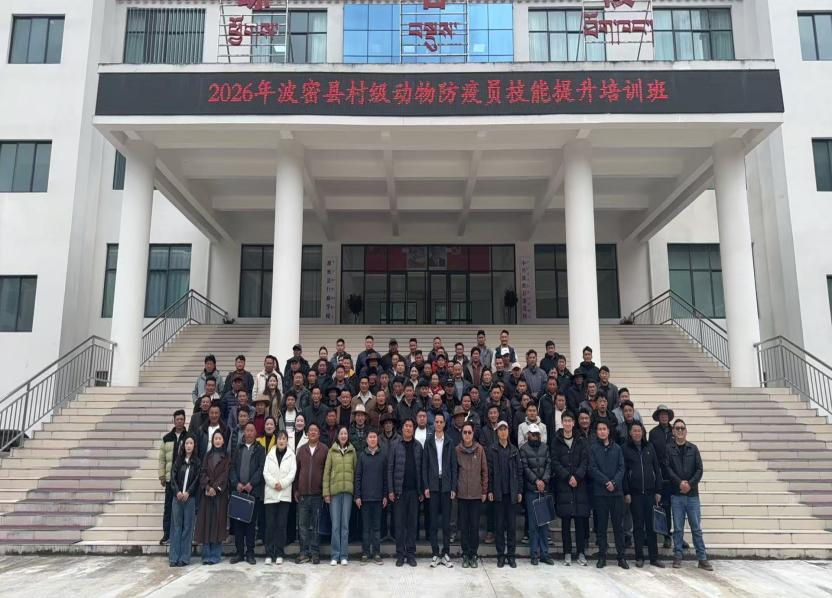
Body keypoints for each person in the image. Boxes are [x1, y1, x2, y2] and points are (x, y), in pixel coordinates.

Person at [666, 419, 712, 571]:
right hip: (676, 494)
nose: (680, 431)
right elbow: (667, 469)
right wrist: (680, 483)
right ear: (673, 431)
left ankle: (702, 558)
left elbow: (699, 469)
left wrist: (689, 484)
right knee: (678, 528)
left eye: (682, 428)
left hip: (692, 495)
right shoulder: (669, 449)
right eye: (677, 428)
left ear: (686, 431)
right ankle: (677, 556)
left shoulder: (693, 448)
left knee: (696, 528)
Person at [623, 421, 664, 568]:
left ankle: (654, 557)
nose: (637, 433)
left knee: (651, 527)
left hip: (650, 493)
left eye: (639, 431)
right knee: (638, 526)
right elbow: (624, 473)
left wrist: (658, 490)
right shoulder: (625, 449)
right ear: (630, 433)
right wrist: (626, 492)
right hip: (635, 495)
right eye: (634, 431)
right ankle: (639, 557)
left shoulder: (649, 447)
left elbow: (657, 469)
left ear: (642, 432)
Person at [551, 411, 590, 567]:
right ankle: (567, 552)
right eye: (565, 420)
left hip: (579, 486)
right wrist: (568, 477)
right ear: (562, 423)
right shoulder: (556, 441)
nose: (567, 423)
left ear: (574, 423)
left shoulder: (581, 440)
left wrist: (577, 477)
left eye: (570, 421)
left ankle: (581, 553)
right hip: (564, 486)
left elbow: (585, 461)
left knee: (580, 522)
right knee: (566, 523)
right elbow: (555, 461)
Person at [589, 420, 628, 569]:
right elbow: (593, 468)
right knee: (601, 527)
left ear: (608, 431)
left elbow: (621, 468)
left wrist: (614, 483)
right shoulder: (593, 448)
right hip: (601, 493)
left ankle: (621, 557)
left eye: (604, 429)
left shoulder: (617, 448)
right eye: (599, 429)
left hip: (616, 493)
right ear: (597, 432)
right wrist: (606, 482)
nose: (602, 431)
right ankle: (602, 556)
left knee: (618, 526)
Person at [486, 420, 522, 568]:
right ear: (497, 432)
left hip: (511, 493)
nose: (503, 432)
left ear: (508, 432)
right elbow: (489, 472)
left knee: (512, 527)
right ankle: (500, 555)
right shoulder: (492, 449)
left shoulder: (514, 450)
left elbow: (519, 472)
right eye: (500, 430)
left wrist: (519, 490)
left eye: (505, 429)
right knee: (499, 526)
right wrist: (489, 490)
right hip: (498, 493)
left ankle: (511, 555)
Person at [423, 411, 457, 568]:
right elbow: (424, 466)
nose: (438, 424)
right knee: (433, 522)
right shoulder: (429, 442)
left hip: (446, 484)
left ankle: (446, 553)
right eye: (436, 422)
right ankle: (435, 553)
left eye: (440, 422)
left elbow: (453, 466)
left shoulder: (449, 441)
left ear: (444, 424)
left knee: (446, 522)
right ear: (433, 424)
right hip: (433, 485)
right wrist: (426, 486)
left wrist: (453, 486)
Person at [388, 418, 423, 567]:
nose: (408, 428)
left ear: (413, 429)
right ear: (402, 429)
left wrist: (421, 489)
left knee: (412, 524)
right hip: (399, 492)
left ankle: (411, 554)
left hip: (414, 492)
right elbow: (390, 468)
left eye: (410, 426)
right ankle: (400, 554)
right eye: (406, 426)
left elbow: (422, 469)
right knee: (400, 525)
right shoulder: (395, 445)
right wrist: (391, 490)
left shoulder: (418, 446)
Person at [229, 422, 265, 565]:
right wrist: (236, 483)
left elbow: (261, 468)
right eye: (247, 430)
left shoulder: (260, 449)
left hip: (252, 492)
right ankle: (239, 553)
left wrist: (252, 483)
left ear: (255, 433)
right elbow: (232, 467)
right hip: (239, 491)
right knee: (238, 524)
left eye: (252, 430)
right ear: (244, 433)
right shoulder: (238, 448)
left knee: (250, 524)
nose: (249, 433)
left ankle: (250, 553)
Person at [323, 426, 358, 566]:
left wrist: (356, 493)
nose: (343, 435)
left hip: (348, 492)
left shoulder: (352, 451)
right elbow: (326, 473)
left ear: (348, 436)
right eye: (341, 433)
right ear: (338, 436)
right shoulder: (331, 451)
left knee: (345, 525)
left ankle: (344, 555)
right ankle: (335, 555)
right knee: (335, 525)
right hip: (334, 493)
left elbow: (356, 472)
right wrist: (326, 493)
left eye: (345, 433)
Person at [455, 421, 488, 568]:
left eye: (469, 432)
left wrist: (484, 490)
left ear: (473, 434)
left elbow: (484, 471)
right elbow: (454, 471)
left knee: (474, 527)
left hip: (475, 494)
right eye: (465, 432)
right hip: (462, 494)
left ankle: (473, 554)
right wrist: (455, 489)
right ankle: (465, 554)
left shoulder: (479, 449)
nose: (467, 435)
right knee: (464, 526)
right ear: (461, 434)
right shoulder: (457, 450)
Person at [294, 422, 328, 564]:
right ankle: (304, 552)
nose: (313, 432)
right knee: (302, 525)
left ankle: (315, 553)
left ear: (319, 434)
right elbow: (297, 471)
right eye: (311, 430)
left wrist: (325, 491)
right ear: (307, 434)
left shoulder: (324, 449)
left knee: (316, 525)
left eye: (315, 430)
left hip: (317, 495)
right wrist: (296, 489)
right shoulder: (301, 450)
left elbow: (327, 471)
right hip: (303, 495)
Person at [195, 430, 230, 565]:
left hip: (220, 495)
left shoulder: (226, 457)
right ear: (212, 440)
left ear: (223, 440)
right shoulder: (207, 455)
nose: (218, 441)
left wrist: (215, 488)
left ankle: (215, 555)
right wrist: (208, 487)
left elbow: (225, 474)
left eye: (220, 438)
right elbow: (202, 472)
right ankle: (206, 554)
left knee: (217, 524)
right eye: (216, 438)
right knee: (206, 523)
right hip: (207, 495)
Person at [520, 423, 553, 566]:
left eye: (536, 434)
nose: (534, 436)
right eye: (532, 434)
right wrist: (536, 481)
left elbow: (549, 465)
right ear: (528, 435)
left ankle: (545, 554)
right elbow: (525, 468)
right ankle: (534, 554)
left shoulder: (545, 447)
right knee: (533, 525)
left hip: (543, 490)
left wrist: (544, 481)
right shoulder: (523, 449)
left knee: (544, 524)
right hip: (531, 490)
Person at [263, 430, 296, 565]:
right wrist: (274, 484)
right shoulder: (270, 454)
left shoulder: (291, 455)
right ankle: (269, 553)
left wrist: (282, 484)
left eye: (284, 439)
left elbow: (292, 473)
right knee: (270, 525)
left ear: (287, 441)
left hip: (284, 494)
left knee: (281, 525)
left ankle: (279, 553)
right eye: (279, 439)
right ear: (276, 440)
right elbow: (266, 472)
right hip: (271, 494)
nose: (281, 441)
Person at [355, 429, 388, 565]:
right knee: (366, 528)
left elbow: (385, 478)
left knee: (376, 528)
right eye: (370, 437)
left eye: (374, 437)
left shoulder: (383, 456)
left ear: (377, 439)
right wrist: (357, 495)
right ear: (367, 440)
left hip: (378, 498)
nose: (373, 439)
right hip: (365, 498)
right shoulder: (362, 456)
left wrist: (385, 495)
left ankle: (376, 553)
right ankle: (365, 553)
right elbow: (358, 477)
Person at [167, 434, 200, 567]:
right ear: (183, 445)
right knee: (176, 527)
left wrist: (188, 492)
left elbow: (197, 479)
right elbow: (173, 477)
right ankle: (174, 557)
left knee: (187, 527)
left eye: (191, 443)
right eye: (187, 443)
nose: (189, 446)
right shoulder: (178, 460)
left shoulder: (197, 462)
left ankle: (184, 558)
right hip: (177, 498)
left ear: (194, 446)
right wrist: (177, 491)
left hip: (189, 499)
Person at [158, 409, 187, 545]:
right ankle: (167, 534)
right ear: (174, 421)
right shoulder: (167, 438)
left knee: (182, 509)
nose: (179, 421)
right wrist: (162, 475)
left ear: (184, 420)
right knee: (168, 507)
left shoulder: (189, 437)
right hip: (170, 479)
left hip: (183, 479)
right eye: (177, 419)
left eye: (181, 419)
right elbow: (162, 459)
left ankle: (181, 534)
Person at [649, 404, 675, 548]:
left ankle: (678, 534)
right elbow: (651, 453)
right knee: (664, 505)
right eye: (661, 414)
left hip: (675, 474)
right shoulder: (653, 433)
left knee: (677, 506)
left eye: (666, 414)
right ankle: (666, 535)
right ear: (658, 417)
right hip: (660, 473)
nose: (664, 417)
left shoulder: (675, 430)